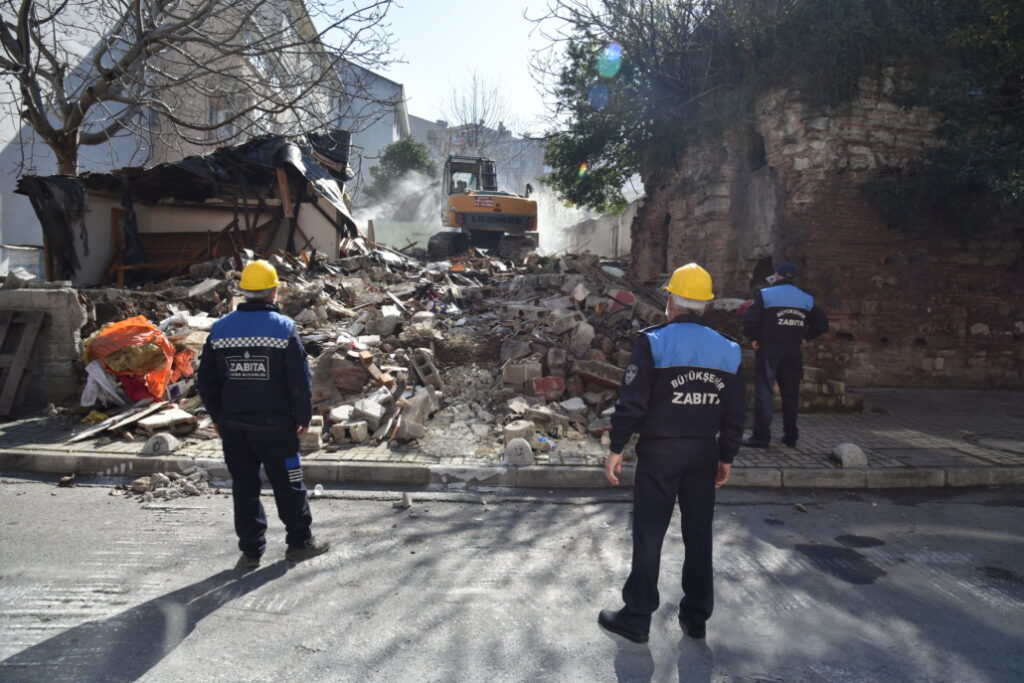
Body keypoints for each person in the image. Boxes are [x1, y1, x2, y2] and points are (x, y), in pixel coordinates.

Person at [599, 263, 745, 644]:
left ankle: (637, 617)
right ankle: (696, 616)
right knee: (698, 534)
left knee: (649, 533)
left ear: (670, 301)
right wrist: (726, 457)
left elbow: (632, 402)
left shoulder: (654, 342)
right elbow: (734, 414)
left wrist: (617, 447)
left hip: (660, 453)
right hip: (703, 453)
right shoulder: (729, 351)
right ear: (706, 307)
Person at [198, 260, 330, 568]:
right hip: (277, 427)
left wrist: (218, 417)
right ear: (273, 292)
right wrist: (302, 417)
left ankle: (251, 551)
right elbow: (299, 380)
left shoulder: (220, 329)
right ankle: (299, 543)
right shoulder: (283, 328)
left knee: (244, 487)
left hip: (234, 427)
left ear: (245, 291)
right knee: (289, 483)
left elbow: (206, 381)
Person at [741, 261, 829, 448]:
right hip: (793, 350)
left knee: (765, 392)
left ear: (778, 275)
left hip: (769, 348)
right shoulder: (806, 299)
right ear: (793, 277)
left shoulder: (765, 295)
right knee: (791, 394)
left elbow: (749, 320)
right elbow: (822, 324)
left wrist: (754, 338)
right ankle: (790, 436)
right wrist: (805, 337)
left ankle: (761, 437)